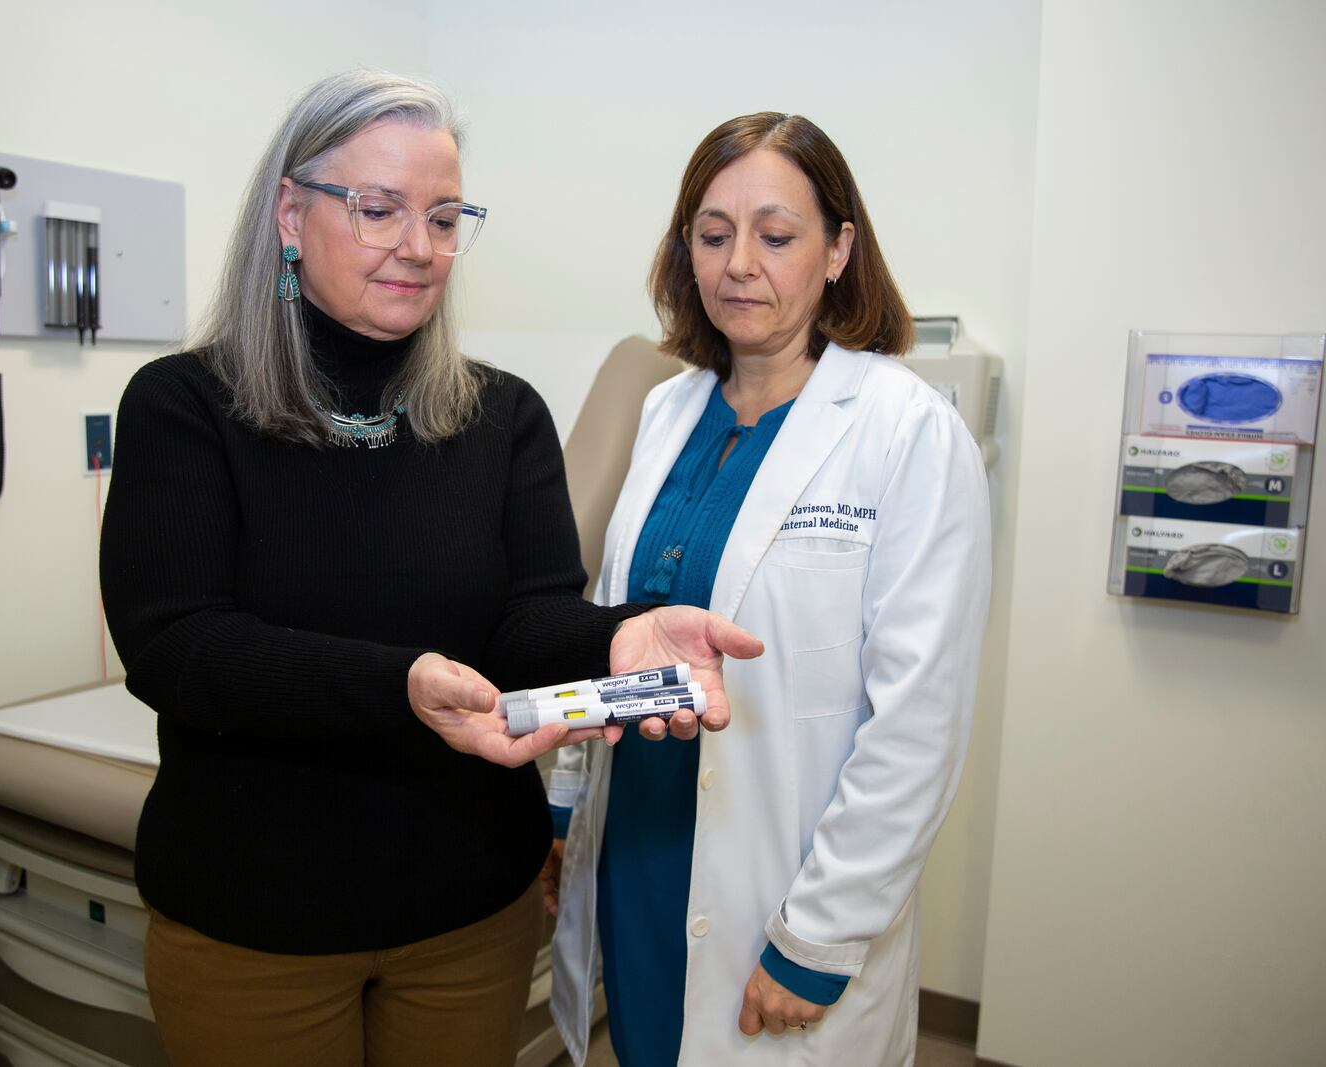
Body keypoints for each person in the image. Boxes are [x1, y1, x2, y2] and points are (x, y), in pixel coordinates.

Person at [97, 70, 760, 1067]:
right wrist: (398, 684)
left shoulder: (500, 416)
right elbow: (177, 645)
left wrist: (619, 632)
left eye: (445, 217)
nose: (419, 246)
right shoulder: (186, 407)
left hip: (467, 912)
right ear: (291, 213)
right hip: (254, 916)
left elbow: (527, 619)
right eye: (378, 209)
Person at [544, 112, 992, 1066]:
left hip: (782, 886)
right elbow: (618, 627)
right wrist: (563, 812)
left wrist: (820, 940)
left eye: (776, 235)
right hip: (639, 850)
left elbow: (917, 723)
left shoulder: (906, 431)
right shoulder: (666, 410)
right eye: (712, 235)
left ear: (839, 250)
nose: (738, 263)